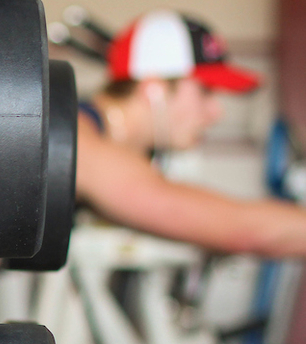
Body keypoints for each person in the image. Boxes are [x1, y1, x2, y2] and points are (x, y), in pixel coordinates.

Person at [77, 10, 306, 256]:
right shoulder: (80, 139)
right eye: (205, 91)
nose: (217, 112)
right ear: (154, 89)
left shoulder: (95, 135)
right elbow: (243, 230)